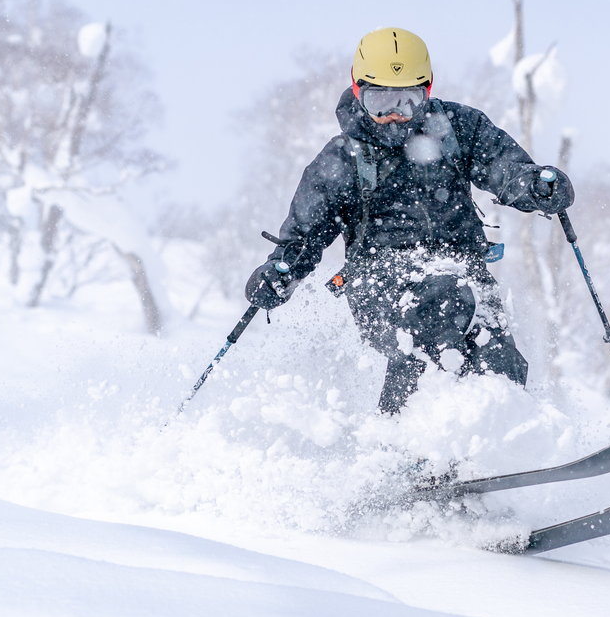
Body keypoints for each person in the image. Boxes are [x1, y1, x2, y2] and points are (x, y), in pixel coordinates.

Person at [245, 27, 574, 414]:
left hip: (463, 269)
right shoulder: (342, 159)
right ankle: (404, 448)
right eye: (379, 101)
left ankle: (495, 441)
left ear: (427, 90)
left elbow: (504, 168)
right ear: (357, 89)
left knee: (496, 354)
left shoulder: (458, 129)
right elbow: (304, 234)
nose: (394, 116)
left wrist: (534, 185)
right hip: (379, 280)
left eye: (407, 100)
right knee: (432, 319)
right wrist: (280, 273)